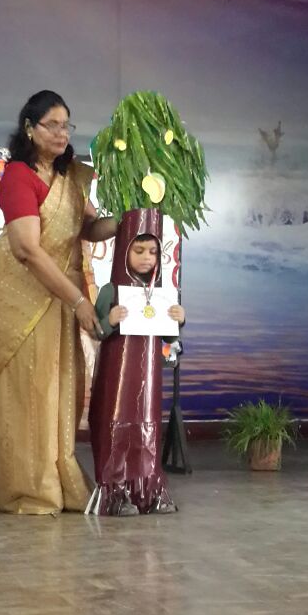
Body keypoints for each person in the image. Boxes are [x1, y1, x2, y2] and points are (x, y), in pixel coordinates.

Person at [0, 90, 116, 515]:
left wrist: (128, 219)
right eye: (52, 124)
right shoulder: (18, 176)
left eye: (66, 125)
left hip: (60, 293)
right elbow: (27, 251)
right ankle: (25, 487)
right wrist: (79, 300)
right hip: (21, 295)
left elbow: (89, 228)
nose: (61, 132)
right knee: (30, 388)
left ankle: (57, 478)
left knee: (60, 387)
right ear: (29, 128)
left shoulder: (70, 177)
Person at [86, 209, 185, 516]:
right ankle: (115, 493)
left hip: (148, 380)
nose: (146, 258)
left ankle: (148, 491)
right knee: (116, 427)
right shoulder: (111, 291)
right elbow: (96, 331)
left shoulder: (161, 293)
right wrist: (110, 320)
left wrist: (178, 320)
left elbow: (169, 338)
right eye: (139, 250)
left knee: (147, 429)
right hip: (116, 378)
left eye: (153, 252)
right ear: (124, 250)